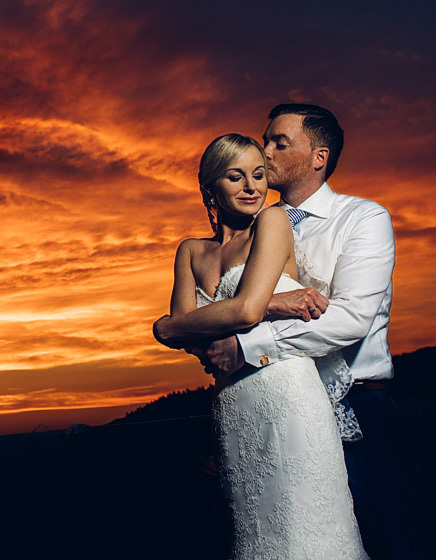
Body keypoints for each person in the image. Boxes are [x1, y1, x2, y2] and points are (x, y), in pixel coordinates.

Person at [200, 103, 419, 560]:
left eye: (280, 141)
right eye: (266, 139)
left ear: (318, 157)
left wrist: (248, 345)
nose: (266, 150)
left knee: (380, 537)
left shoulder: (363, 218)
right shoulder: (249, 228)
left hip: (355, 403)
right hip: (274, 406)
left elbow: (352, 318)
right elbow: (226, 310)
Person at [154, 133, 368, 560]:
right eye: (236, 177)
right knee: (254, 531)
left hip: (286, 391)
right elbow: (185, 338)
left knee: (306, 531)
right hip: (233, 404)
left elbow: (242, 313)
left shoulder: (273, 222)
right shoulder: (191, 251)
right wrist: (272, 303)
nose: (252, 187)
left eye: (258, 175)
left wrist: (176, 325)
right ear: (210, 187)